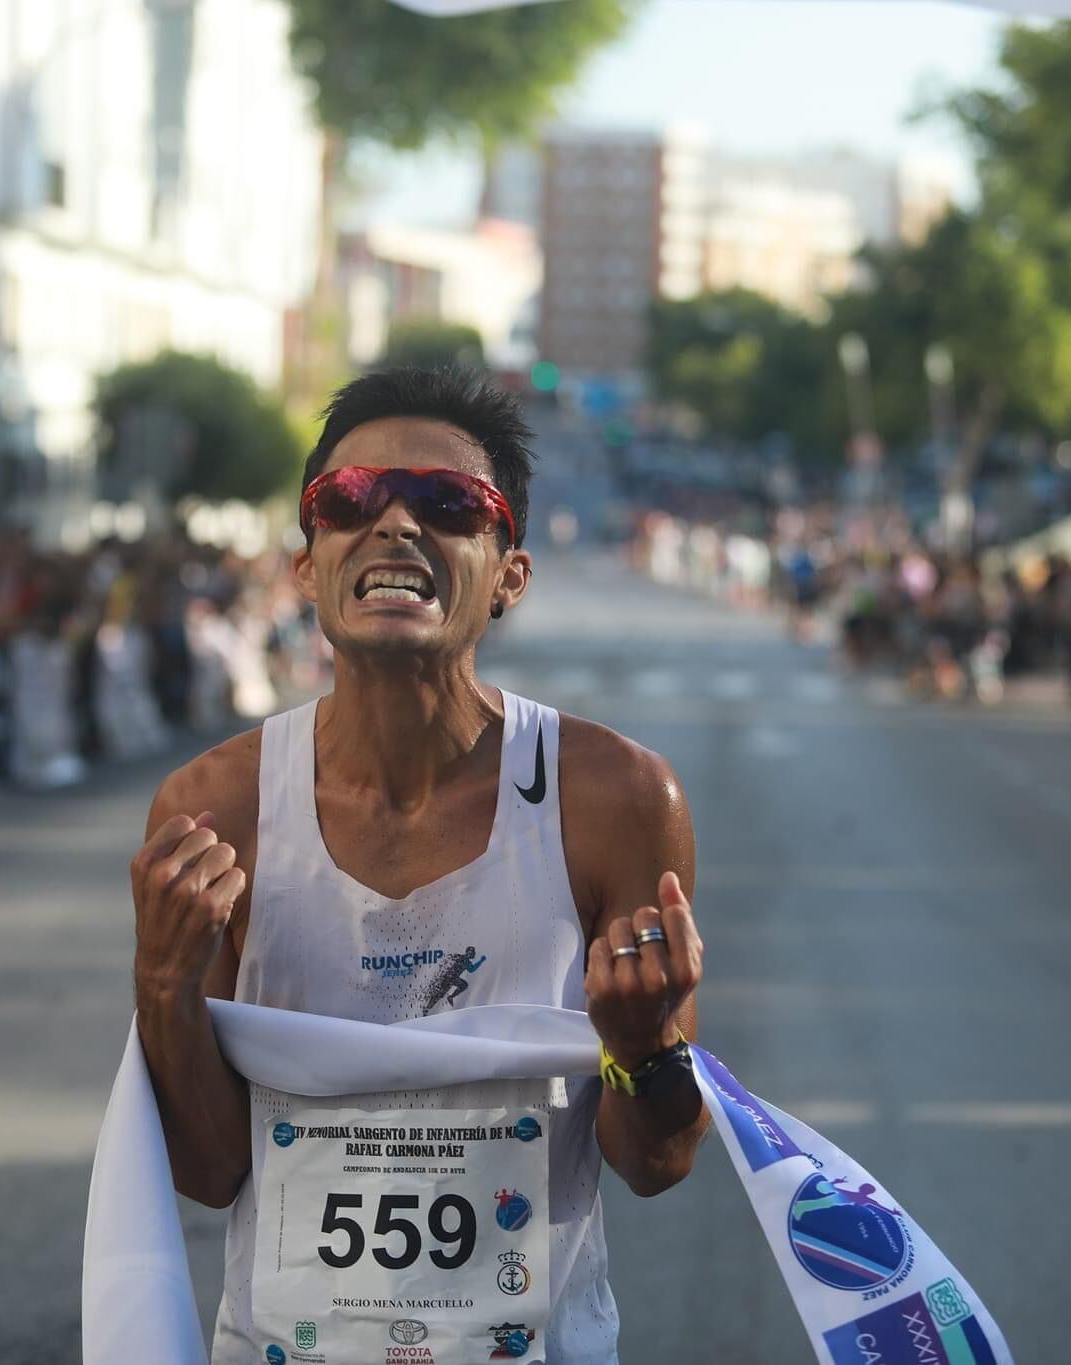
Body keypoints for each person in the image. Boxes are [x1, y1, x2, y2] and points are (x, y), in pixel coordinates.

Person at [131, 369, 709, 1363]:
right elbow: (209, 1167)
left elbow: (655, 1162)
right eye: (349, 501)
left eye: (447, 504)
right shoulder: (214, 809)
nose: (395, 525)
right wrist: (163, 985)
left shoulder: (616, 801)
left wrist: (639, 1044)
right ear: (307, 565)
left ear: (509, 575)